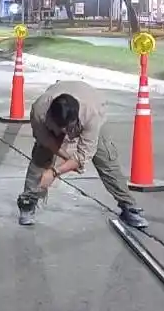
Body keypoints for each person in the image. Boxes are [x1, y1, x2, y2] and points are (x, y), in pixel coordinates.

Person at [17, 81, 148, 229]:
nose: (66, 133)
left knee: (106, 159)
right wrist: (65, 161)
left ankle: (128, 206)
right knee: (41, 156)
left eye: (69, 128)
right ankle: (28, 202)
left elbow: (83, 154)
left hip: (91, 105)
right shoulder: (39, 112)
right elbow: (47, 141)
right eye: (61, 128)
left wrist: (56, 171)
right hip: (56, 116)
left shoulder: (91, 115)